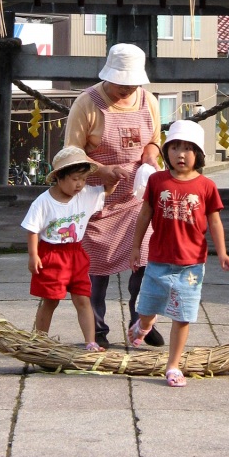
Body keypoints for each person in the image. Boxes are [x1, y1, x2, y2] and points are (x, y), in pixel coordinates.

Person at [64, 42, 164, 349]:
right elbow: (71, 153)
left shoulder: (148, 101)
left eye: (131, 84)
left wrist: (150, 157)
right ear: (108, 77)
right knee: (95, 270)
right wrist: (103, 170)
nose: (126, 90)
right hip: (96, 198)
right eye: (121, 84)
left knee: (145, 264)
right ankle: (97, 330)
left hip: (137, 198)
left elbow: (154, 141)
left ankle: (141, 322)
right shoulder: (88, 103)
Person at [128, 120, 229, 387]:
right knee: (147, 308)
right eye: (175, 147)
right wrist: (134, 246)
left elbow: (214, 221)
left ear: (197, 154)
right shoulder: (156, 180)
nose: (181, 154)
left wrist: (222, 253)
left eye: (188, 148)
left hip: (191, 265)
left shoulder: (206, 186)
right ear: (167, 152)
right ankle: (143, 326)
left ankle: (173, 365)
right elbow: (144, 214)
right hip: (158, 260)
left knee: (182, 315)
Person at [21, 146, 118, 351]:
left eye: (83, 179)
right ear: (59, 177)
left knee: (83, 299)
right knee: (50, 301)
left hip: (76, 254)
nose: (79, 184)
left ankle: (90, 342)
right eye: (75, 179)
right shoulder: (43, 202)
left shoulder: (85, 194)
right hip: (51, 255)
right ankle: (40, 340)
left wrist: (114, 178)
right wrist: (33, 255)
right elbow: (32, 229)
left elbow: (106, 191)